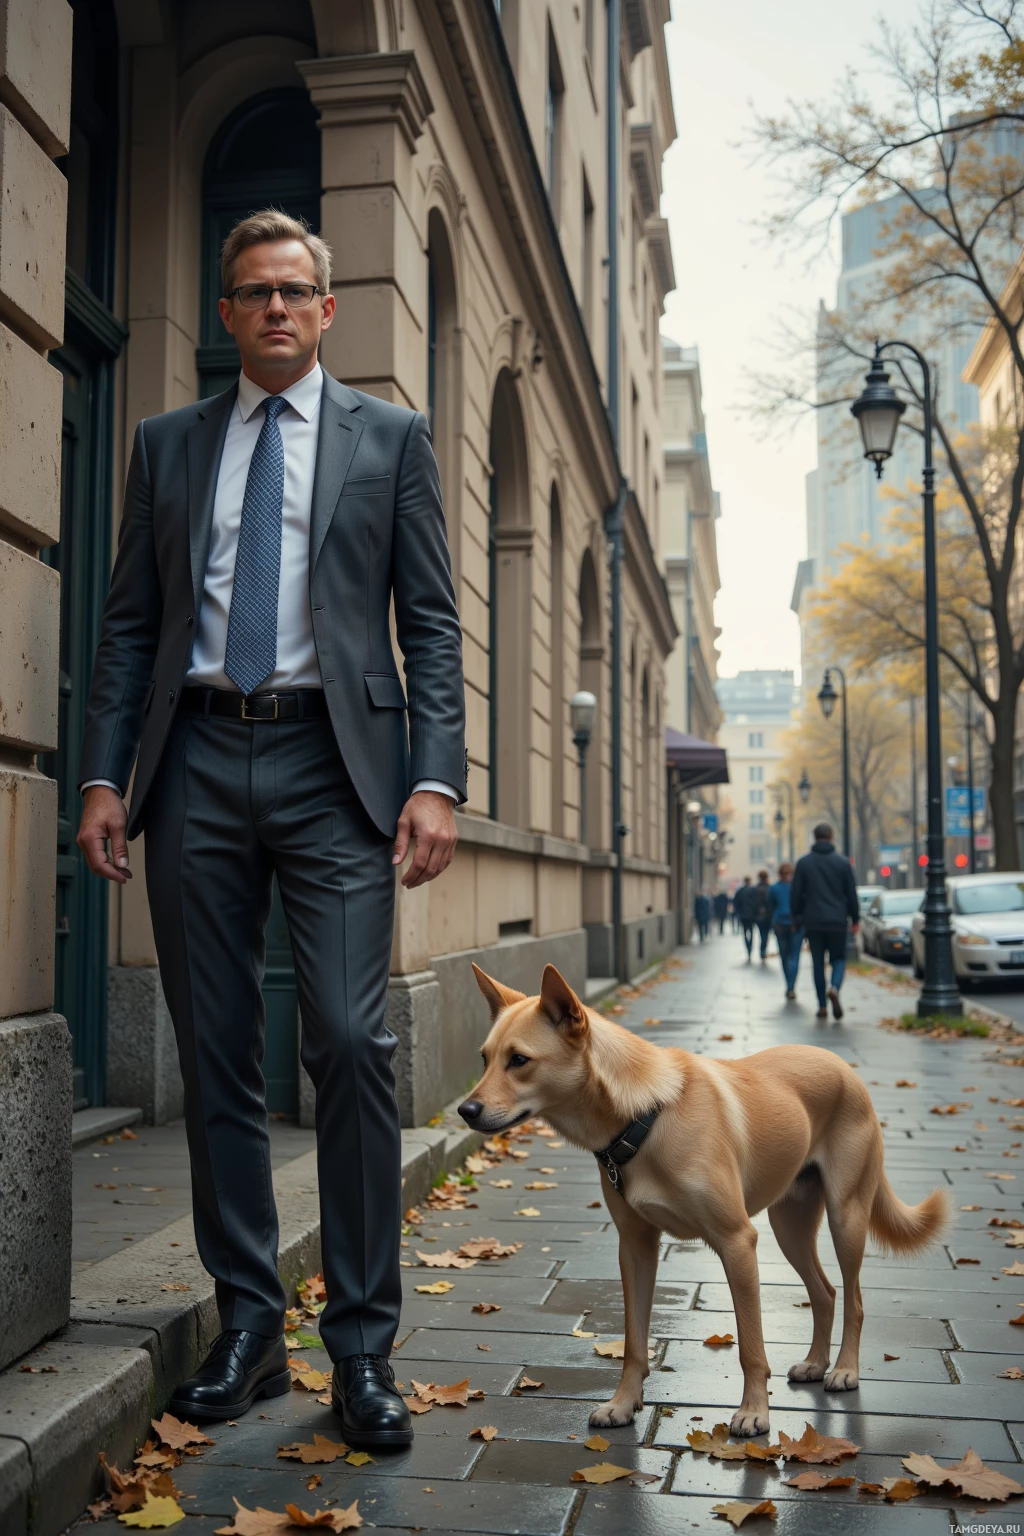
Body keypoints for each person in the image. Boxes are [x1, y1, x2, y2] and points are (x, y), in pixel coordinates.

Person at [75, 211, 467, 1446]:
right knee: (221, 1053)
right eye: (255, 293)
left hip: (332, 765)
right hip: (192, 756)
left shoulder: (389, 440)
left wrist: (436, 778)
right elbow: (130, 623)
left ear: (328, 307)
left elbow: (436, 626)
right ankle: (249, 1325)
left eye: (297, 290)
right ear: (228, 312)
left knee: (350, 1041)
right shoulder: (167, 443)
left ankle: (360, 1347)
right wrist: (100, 777)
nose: (278, 309)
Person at [790, 822, 859, 1020]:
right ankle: (835, 987)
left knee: (817, 963)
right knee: (838, 958)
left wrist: (797, 917)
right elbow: (851, 893)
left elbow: (796, 894)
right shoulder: (843, 862)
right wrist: (855, 918)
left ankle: (821, 1006)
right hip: (837, 920)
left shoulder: (804, 863)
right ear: (830, 837)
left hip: (813, 921)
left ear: (815, 837)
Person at [770, 862, 801, 999]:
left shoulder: (774, 888)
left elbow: (770, 906)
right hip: (796, 924)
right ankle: (791, 986)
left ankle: (788, 984)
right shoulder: (798, 887)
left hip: (780, 924)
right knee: (794, 956)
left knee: (784, 955)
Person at [752, 869, 774, 961]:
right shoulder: (770, 888)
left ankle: (762, 950)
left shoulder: (755, 889)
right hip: (769, 915)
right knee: (766, 934)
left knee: (762, 934)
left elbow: (753, 903)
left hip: (758, 915)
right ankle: (763, 950)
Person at [733, 875, 757, 960]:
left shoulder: (740, 891)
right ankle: (750, 948)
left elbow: (735, 903)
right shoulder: (753, 890)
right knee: (751, 932)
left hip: (743, 915)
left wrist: (738, 913)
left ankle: (748, 948)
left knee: (745, 932)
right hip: (751, 916)